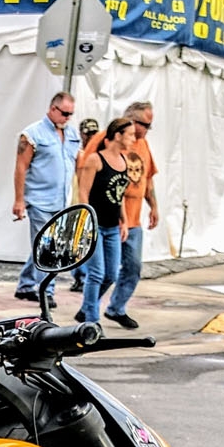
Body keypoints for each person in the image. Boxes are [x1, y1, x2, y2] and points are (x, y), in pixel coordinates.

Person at [12, 91, 79, 303]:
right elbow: (21, 168)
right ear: (53, 109)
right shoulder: (33, 134)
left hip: (60, 200)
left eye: (71, 114)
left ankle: (25, 284)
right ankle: (46, 291)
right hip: (39, 199)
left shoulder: (71, 134)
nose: (67, 118)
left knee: (45, 242)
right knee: (48, 245)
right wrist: (19, 200)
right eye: (64, 113)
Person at [73, 117, 133, 325]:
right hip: (95, 224)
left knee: (111, 275)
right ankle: (91, 321)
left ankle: (86, 308)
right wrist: (87, 220)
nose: (133, 139)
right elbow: (83, 191)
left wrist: (123, 221)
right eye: (130, 135)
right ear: (118, 136)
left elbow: (120, 195)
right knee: (96, 274)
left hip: (112, 226)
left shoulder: (124, 162)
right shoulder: (95, 160)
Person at [106, 101, 161, 329]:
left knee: (133, 267)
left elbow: (147, 179)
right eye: (145, 125)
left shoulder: (144, 145)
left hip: (135, 219)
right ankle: (88, 308)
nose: (147, 130)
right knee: (106, 272)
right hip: (112, 217)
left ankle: (116, 308)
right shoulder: (110, 141)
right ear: (131, 120)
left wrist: (154, 206)